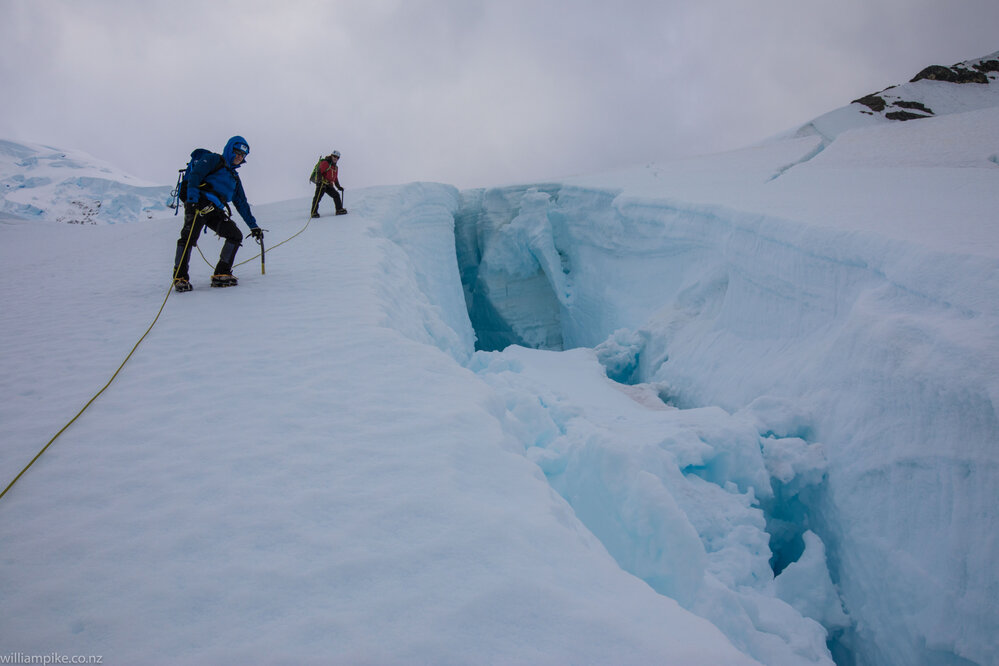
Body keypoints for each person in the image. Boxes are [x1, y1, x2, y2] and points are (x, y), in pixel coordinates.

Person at [172, 136, 263, 291]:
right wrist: (193, 200)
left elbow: (241, 203)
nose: (240, 157)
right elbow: (195, 176)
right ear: (229, 149)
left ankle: (222, 273)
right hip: (198, 202)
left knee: (234, 235)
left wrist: (253, 226)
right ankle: (180, 278)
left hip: (215, 209)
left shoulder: (234, 178)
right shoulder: (213, 159)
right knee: (189, 237)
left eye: (243, 155)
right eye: (237, 152)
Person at [310, 150, 347, 218]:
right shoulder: (326, 163)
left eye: (337, 157)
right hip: (322, 184)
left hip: (328, 185)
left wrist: (338, 187)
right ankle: (314, 213)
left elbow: (335, 178)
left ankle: (339, 210)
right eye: (334, 156)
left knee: (336, 195)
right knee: (317, 198)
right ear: (331, 156)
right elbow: (319, 171)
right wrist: (320, 181)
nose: (336, 158)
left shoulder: (335, 167)